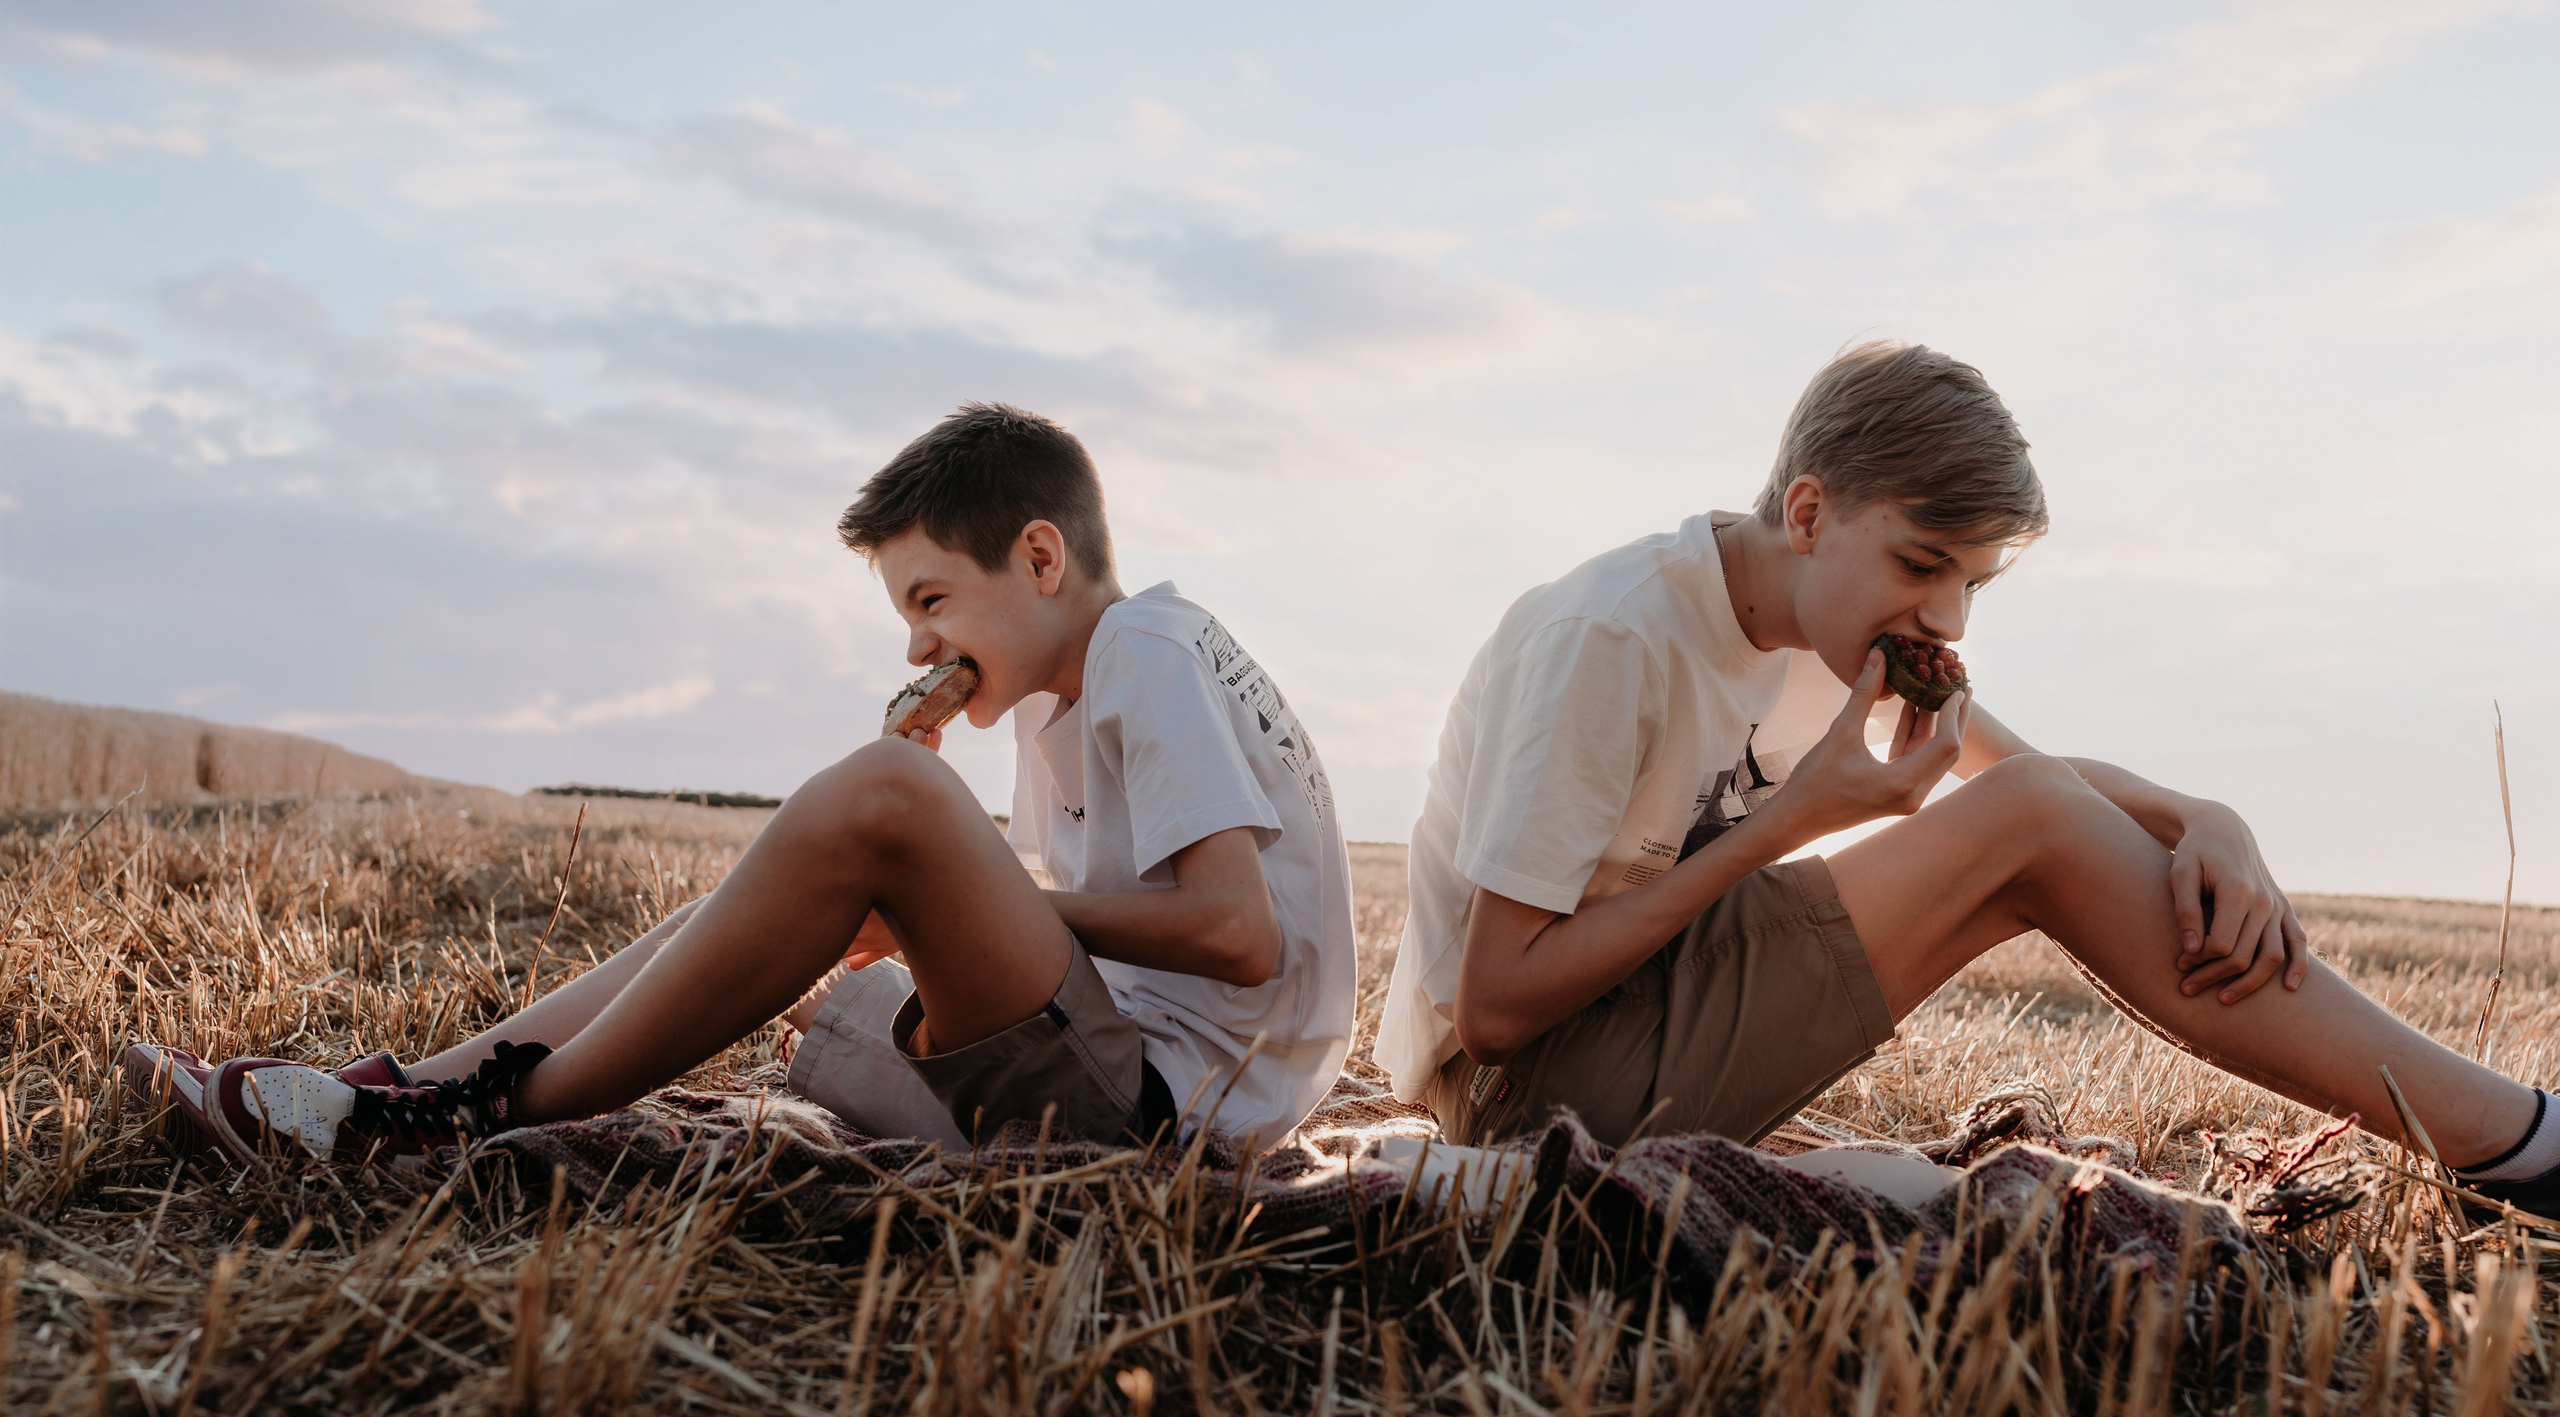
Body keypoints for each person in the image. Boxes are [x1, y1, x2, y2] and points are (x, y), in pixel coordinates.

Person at [1376, 341, 2560, 1214]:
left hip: (1651, 1007)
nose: (1944, 615)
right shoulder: (1617, 638)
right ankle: (2518, 1148)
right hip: (1529, 1098)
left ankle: (2501, 1141)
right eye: (1921, 563)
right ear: (1807, 512)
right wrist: (1788, 823)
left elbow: (2018, 781)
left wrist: (2205, 815)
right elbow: (1493, 1006)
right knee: (2032, 827)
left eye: (1973, 585)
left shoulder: (1830, 623)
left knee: (2039, 820)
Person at [128, 403, 1358, 1163]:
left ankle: (460, 1119)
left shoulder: (1143, 646)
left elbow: (1236, 934)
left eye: (931, 601)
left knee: (885, 792)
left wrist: (971, 886)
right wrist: (951, 899)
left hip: (1168, 1113)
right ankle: (408, 1087)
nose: (918, 647)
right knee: (757, 903)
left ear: (1041, 556)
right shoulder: (1073, 697)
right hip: (1137, 1070)